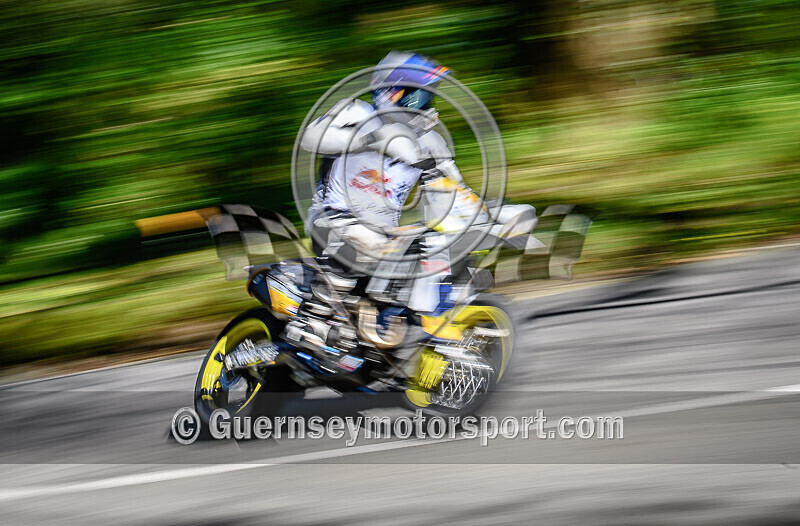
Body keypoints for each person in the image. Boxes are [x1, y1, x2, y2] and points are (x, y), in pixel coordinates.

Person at [300, 51, 472, 273]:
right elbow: (310, 137)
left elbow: (455, 188)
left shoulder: (430, 141)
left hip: (386, 233)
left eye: (429, 95)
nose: (425, 104)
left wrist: (482, 218)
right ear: (391, 93)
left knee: (438, 255)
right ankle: (324, 297)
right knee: (377, 252)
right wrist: (369, 140)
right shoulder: (358, 112)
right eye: (418, 95)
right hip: (336, 221)